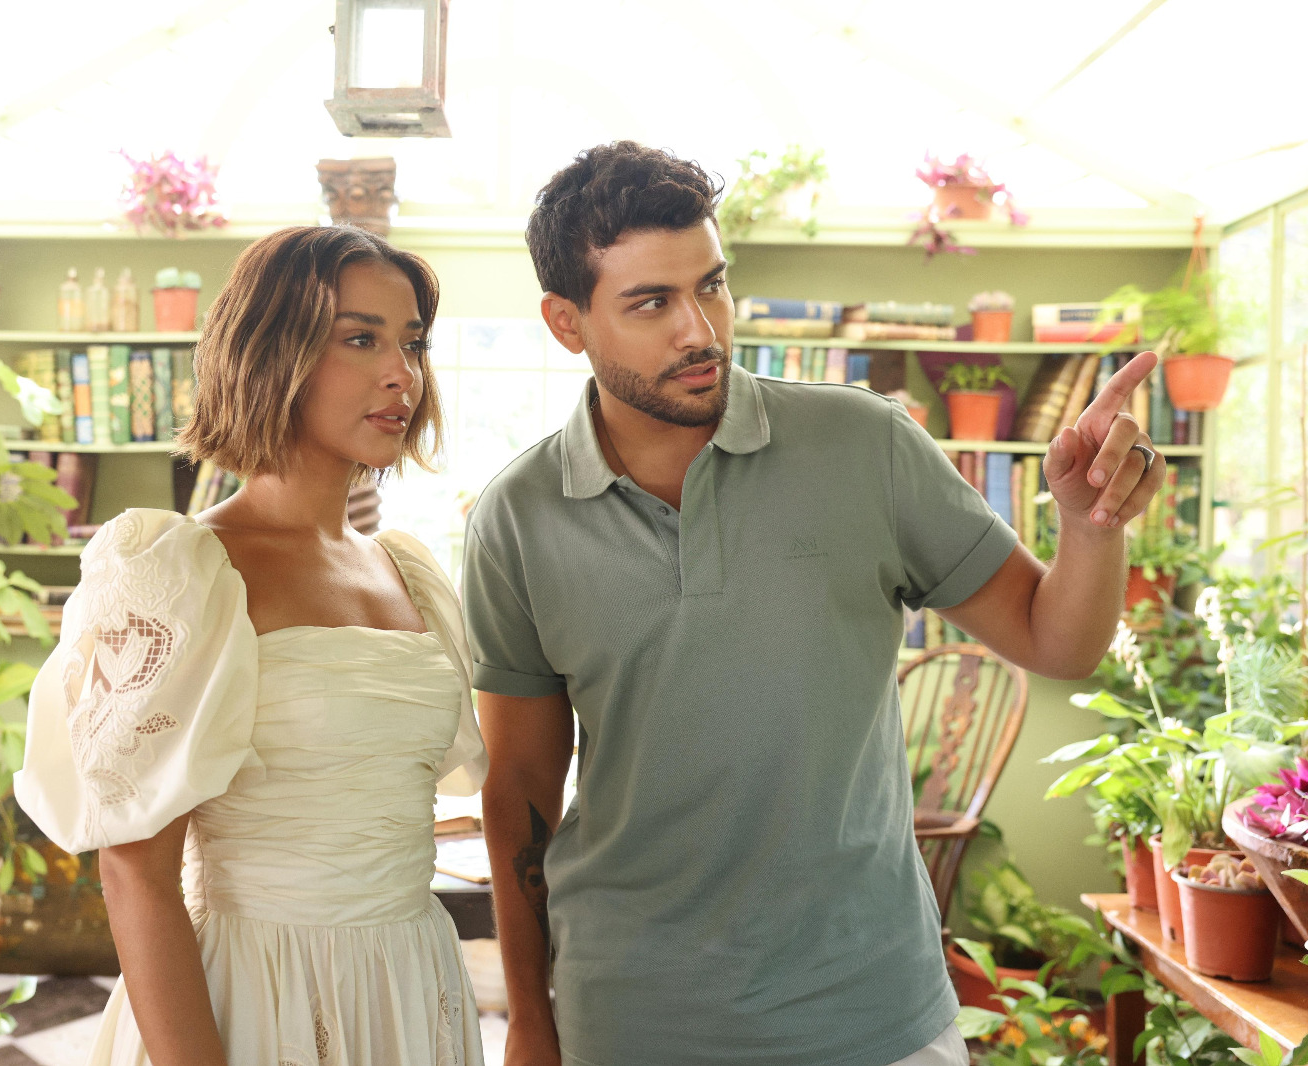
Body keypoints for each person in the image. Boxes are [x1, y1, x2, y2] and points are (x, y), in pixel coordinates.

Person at [462, 141, 1165, 1066]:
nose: (700, 331)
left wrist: (1090, 525)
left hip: (874, 1014)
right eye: (651, 302)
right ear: (566, 322)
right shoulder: (518, 517)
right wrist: (529, 1020)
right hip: (632, 1018)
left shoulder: (865, 445)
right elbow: (520, 788)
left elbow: (1057, 642)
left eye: (712, 286)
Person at [15, 225, 489, 1066]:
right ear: (272, 353)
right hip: (258, 995)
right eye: (361, 339)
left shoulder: (407, 572)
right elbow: (135, 873)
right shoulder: (181, 573)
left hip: (413, 987)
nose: (402, 374)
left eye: (412, 343)